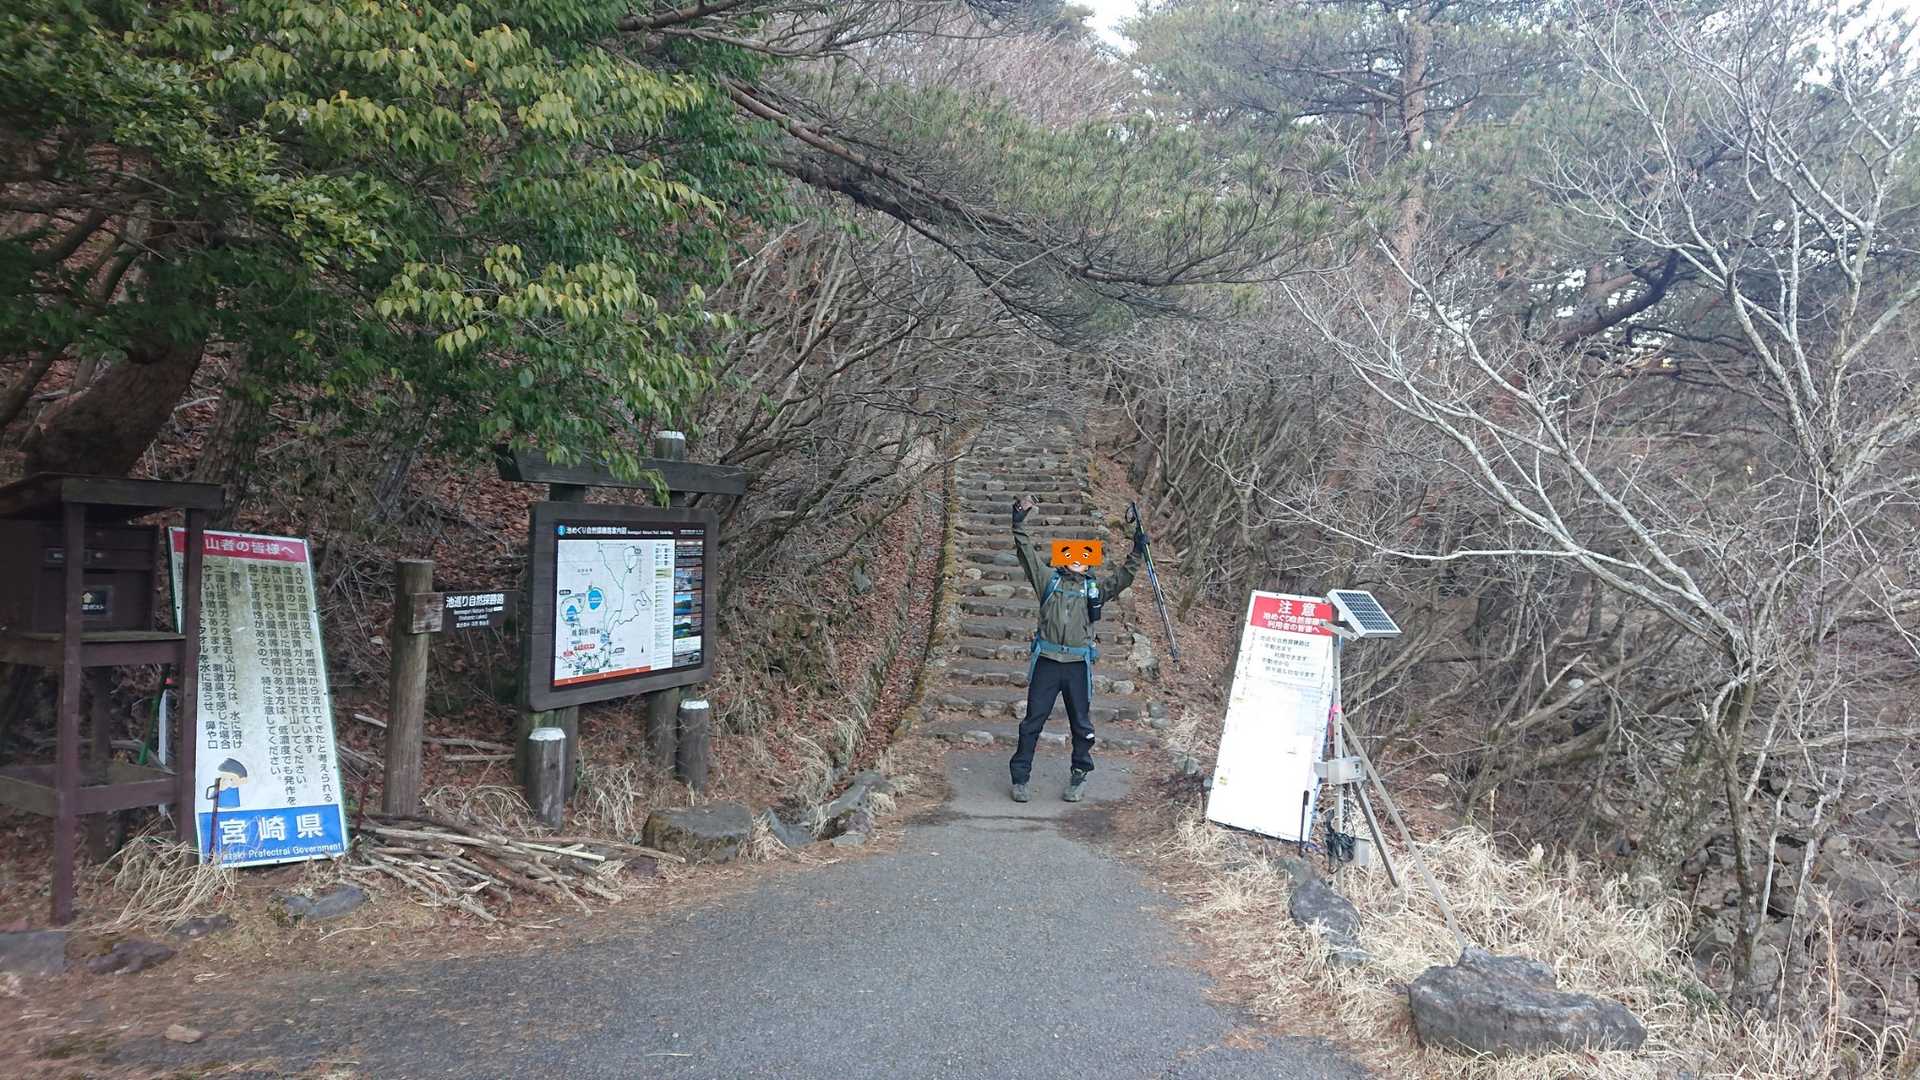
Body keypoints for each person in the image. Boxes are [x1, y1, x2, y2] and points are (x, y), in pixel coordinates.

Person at [1009, 495, 1147, 803]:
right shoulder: (1048, 581)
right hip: (1047, 661)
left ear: (1089, 562)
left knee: (1081, 725)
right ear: (1062, 557)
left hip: (1077, 665)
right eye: (1071, 554)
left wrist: (1137, 550)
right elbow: (1028, 555)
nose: (1076, 559)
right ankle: (1020, 778)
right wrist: (1018, 525)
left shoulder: (1094, 590)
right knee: (1032, 722)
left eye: (1083, 556)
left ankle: (1079, 775)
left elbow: (1123, 578)